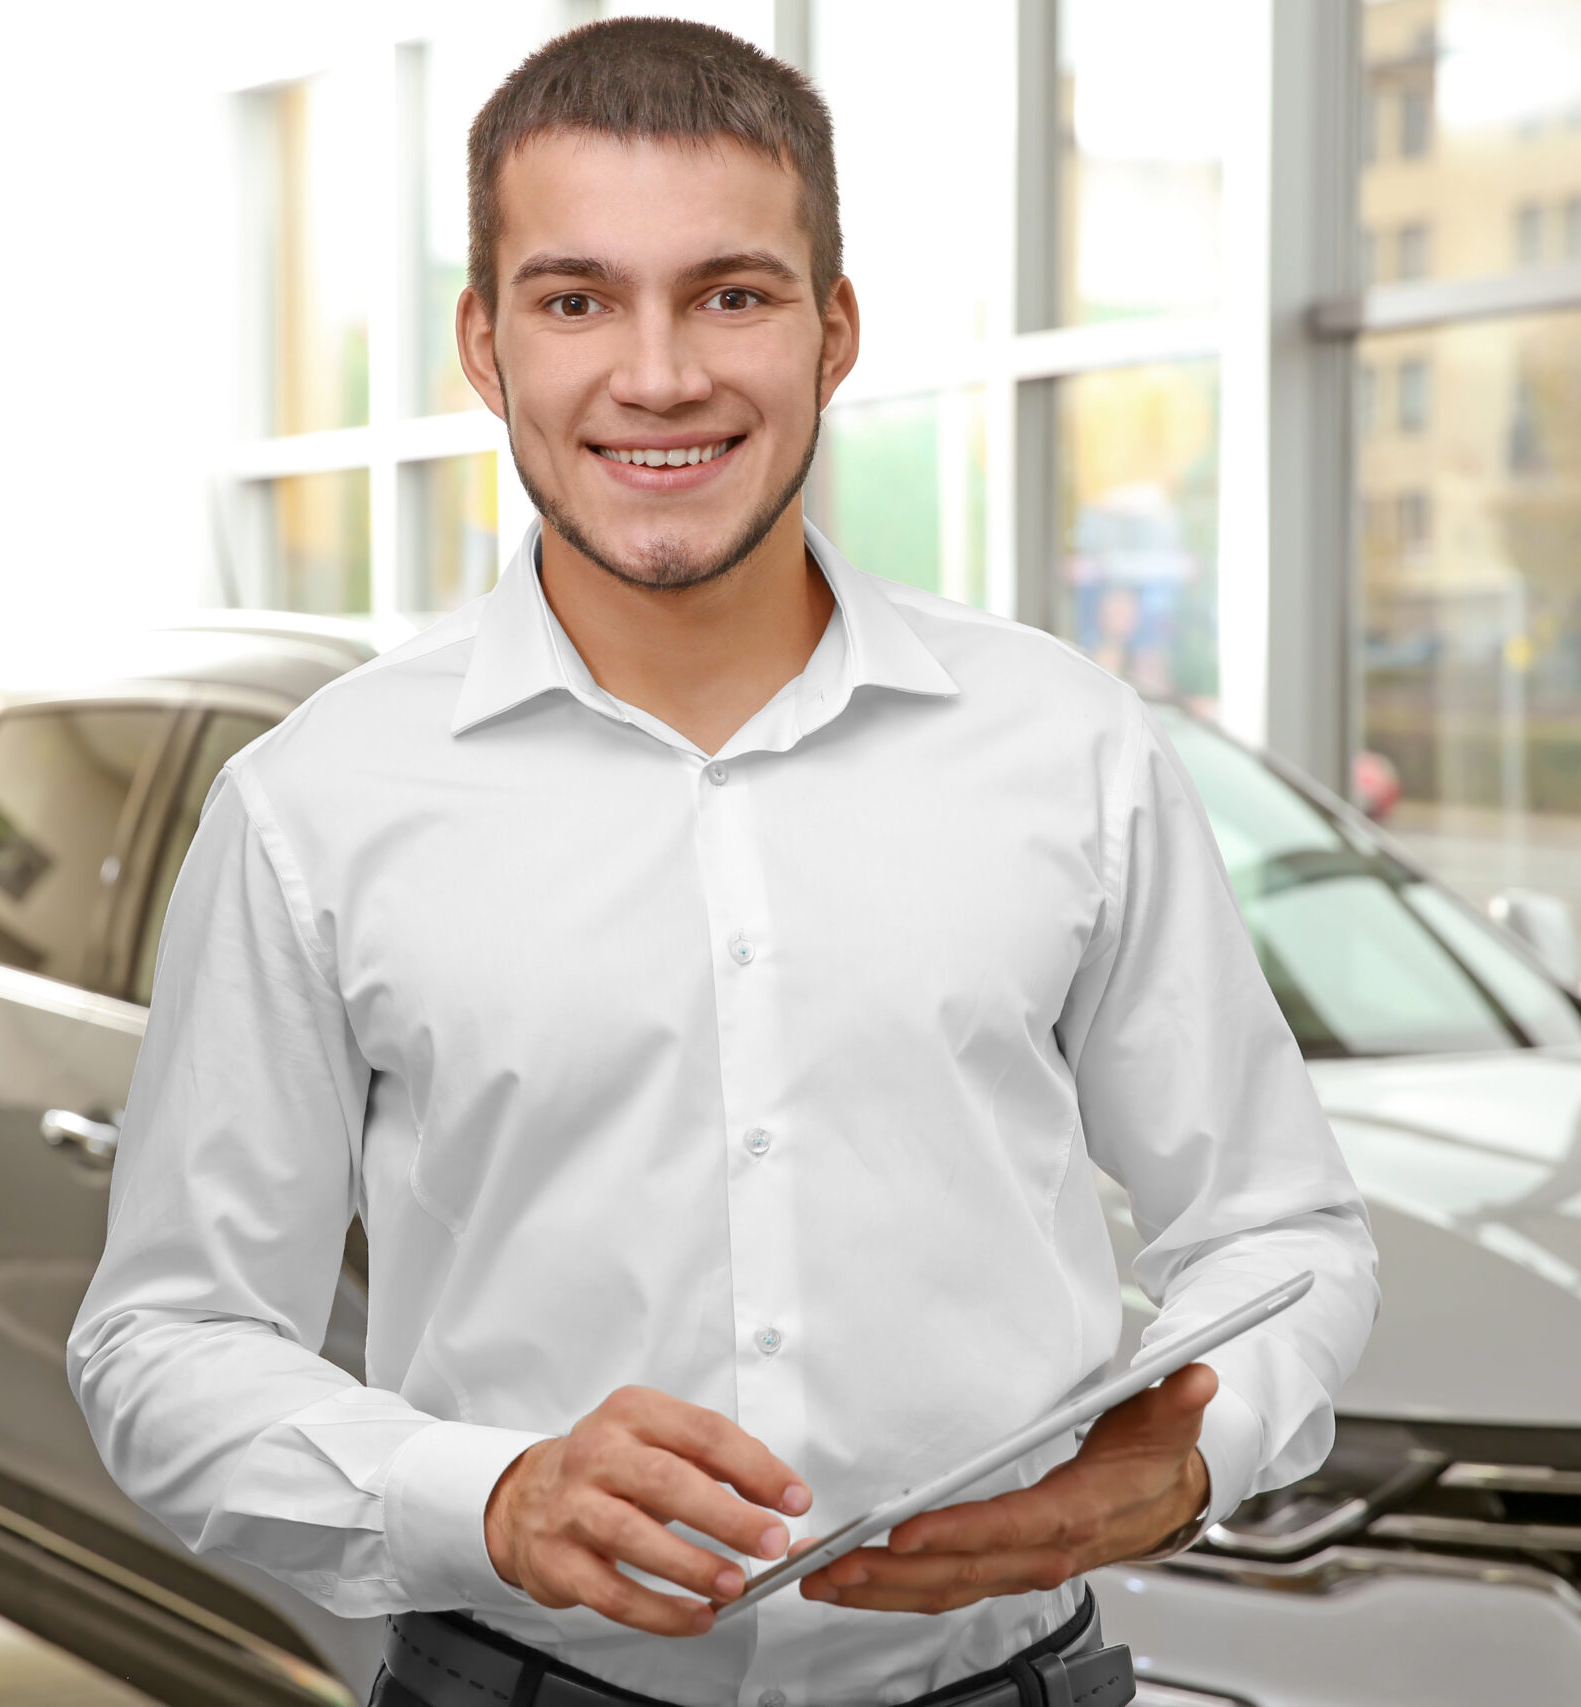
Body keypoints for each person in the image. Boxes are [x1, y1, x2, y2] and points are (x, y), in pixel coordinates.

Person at [69, 18, 1377, 1707]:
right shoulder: (313, 805)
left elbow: (1282, 1229)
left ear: (834, 332)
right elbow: (164, 1342)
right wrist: (489, 1497)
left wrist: (1197, 1458)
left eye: (733, 295)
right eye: (577, 297)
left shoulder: (1071, 748)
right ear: (486, 344)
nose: (661, 373)